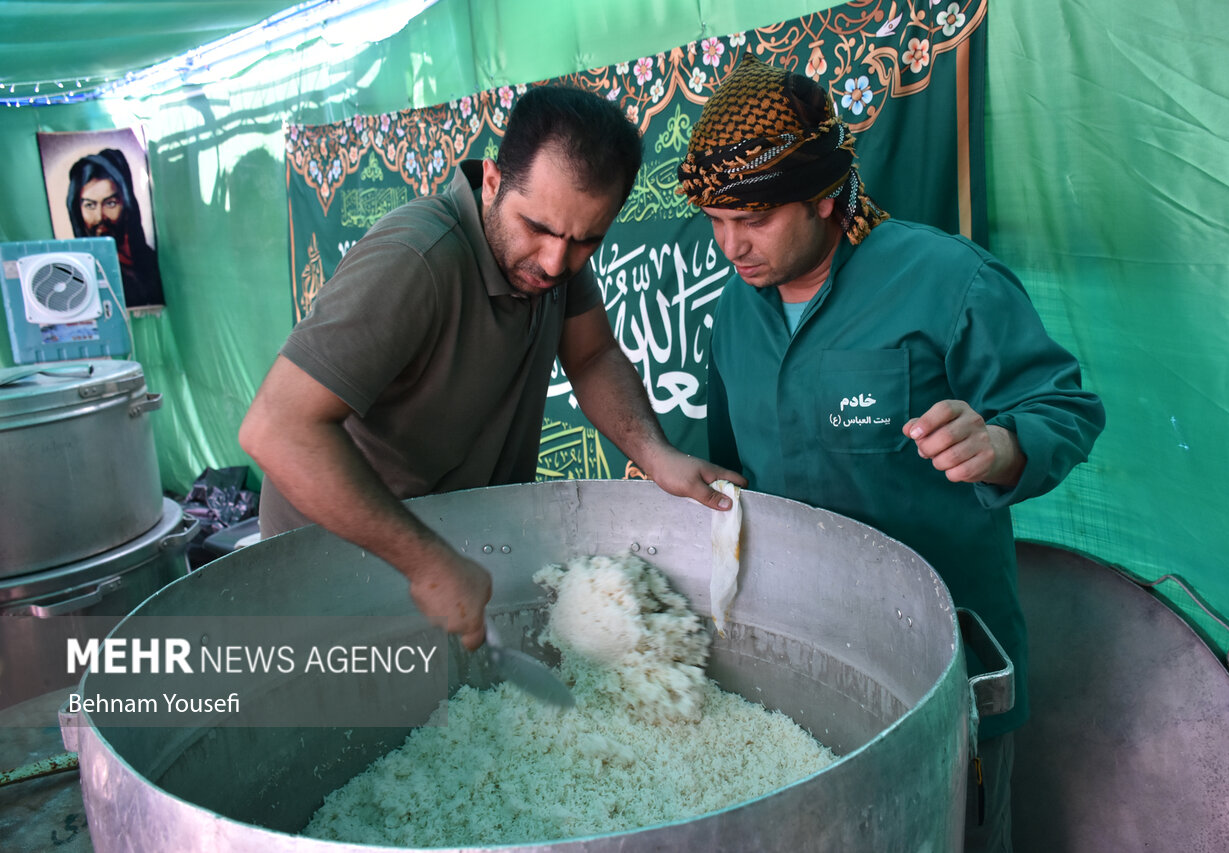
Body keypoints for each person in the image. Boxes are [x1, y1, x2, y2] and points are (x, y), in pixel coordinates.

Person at [677, 56, 1105, 851]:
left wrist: (1005, 444)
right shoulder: (736, 311)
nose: (731, 246)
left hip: (946, 671)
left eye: (755, 219)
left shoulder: (947, 280)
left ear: (825, 196)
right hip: (806, 669)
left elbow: (1066, 405)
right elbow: (734, 469)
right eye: (715, 220)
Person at [240, 85, 745, 653]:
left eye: (586, 242)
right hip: (343, 562)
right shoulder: (417, 260)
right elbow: (275, 429)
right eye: (539, 229)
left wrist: (659, 458)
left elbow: (592, 356)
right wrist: (426, 562)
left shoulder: (554, 253)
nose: (556, 261)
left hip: (450, 550)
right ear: (492, 181)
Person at [66, 148, 164, 307]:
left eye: (110, 203)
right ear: (78, 211)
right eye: (90, 205)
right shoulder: (79, 277)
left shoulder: (152, 261)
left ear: (126, 204)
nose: (100, 217)